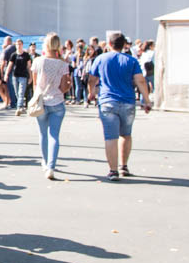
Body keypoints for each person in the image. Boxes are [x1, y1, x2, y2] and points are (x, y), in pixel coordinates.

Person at [86, 32, 151, 181]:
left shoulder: (101, 59)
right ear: (124, 45)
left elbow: (92, 79)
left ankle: (113, 170)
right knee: (126, 134)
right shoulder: (131, 61)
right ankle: (124, 166)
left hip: (107, 101)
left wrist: (91, 93)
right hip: (127, 102)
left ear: (109, 44)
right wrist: (146, 100)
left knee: (110, 137)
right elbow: (140, 80)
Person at [32, 33, 71, 180]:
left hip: (41, 101)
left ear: (46, 45)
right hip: (57, 102)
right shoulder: (63, 64)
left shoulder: (38, 61)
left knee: (43, 134)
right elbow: (64, 86)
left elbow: (34, 84)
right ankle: (51, 166)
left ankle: (44, 161)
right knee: (54, 135)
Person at [9, 39, 32, 116]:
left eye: (20, 44)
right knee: (17, 93)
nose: (18, 46)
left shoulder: (26, 55)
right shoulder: (13, 55)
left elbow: (29, 66)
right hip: (15, 75)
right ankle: (21, 106)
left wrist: (31, 76)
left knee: (21, 92)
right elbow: (10, 65)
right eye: (17, 44)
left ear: (22, 45)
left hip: (23, 75)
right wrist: (6, 75)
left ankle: (19, 108)